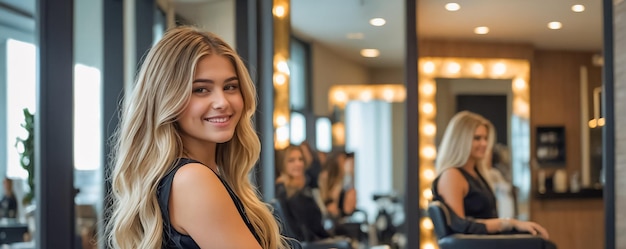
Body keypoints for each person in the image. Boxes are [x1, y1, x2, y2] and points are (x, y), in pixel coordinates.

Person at [107, 26, 289, 249]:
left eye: (230, 86)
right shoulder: (192, 179)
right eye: (201, 90)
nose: (222, 102)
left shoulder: (192, 176)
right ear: (167, 99)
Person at [432, 111, 549, 239]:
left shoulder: (477, 174)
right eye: (477, 138)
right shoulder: (452, 175)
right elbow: (460, 227)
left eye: (486, 138)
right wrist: (508, 223)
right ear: (460, 140)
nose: (484, 144)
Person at [275, 145, 330, 242]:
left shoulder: (303, 189)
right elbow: (300, 233)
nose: (298, 164)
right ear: (282, 164)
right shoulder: (286, 193)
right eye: (291, 160)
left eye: (300, 159)